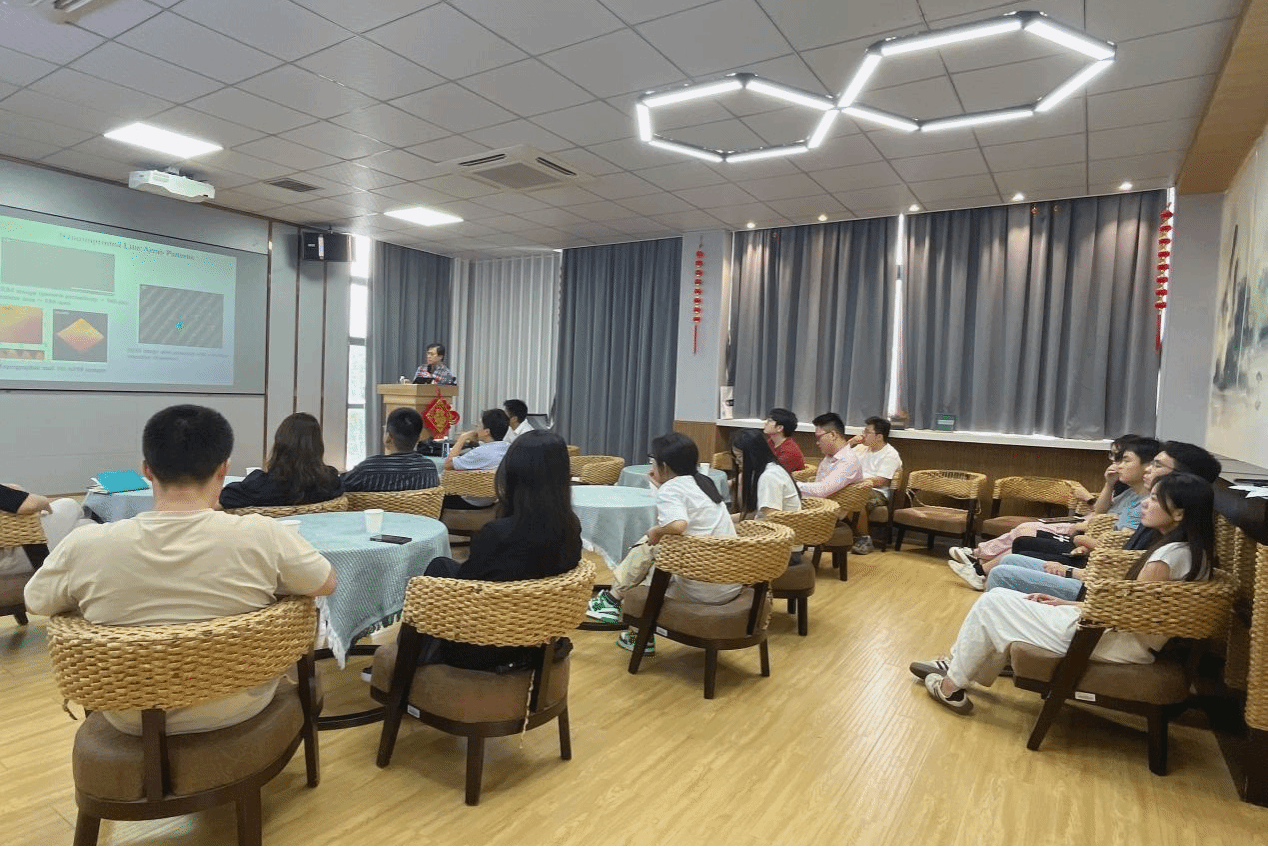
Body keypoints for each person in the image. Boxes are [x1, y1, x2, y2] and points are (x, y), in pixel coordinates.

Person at [24, 404, 336, 735]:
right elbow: (325, 583)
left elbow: (36, 601)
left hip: (129, 716)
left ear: (147, 470)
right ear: (223, 468)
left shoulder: (85, 545)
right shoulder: (264, 535)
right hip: (242, 704)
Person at [911, 471, 1216, 715]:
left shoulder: (1165, 559)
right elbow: (1128, 611)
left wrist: (1074, 608)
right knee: (1003, 599)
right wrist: (1067, 603)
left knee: (993, 602)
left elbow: (1128, 616)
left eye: (1156, 499)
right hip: (1113, 634)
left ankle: (951, 684)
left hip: (1107, 641)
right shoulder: (1190, 551)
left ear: (1179, 513)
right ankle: (958, 668)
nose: (1146, 503)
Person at [408, 430, 582, 671]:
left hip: (484, 644)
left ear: (513, 474)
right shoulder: (570, 526)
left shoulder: (500, 535)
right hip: (536, 640)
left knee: (433, 578)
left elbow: (466, 592)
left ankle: (406, 664)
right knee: (442, 565)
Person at [986, 441, 1222, 601]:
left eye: (1157, 465)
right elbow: (1122, 567)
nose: (1148, 470)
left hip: (1099, 593)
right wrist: (1072, 570)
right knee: (1012, 558)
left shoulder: (1169, 542)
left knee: (1003, 573)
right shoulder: (1162, 520)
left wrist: (1070, 574)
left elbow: (1125, 597)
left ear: (1182, 479)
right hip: (1098, 578)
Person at [585, 432, 739, 656]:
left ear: (663, 465)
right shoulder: (703, 483)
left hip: (700, 586)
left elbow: (678, 525)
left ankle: (616, 605)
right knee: (658, 551)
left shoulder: (673, 489)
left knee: (652, 545)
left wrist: (655, 530)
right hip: (727, 580)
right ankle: (625, 617)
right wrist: (661, 487)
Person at [946, 435, 1160, 590]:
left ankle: (978, 563)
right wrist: (1109, 485)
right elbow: (1103, 516)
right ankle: (978, 563)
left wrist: (1082, 538)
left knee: (1024, 536)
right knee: (1023, 536)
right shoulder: (1130, 492)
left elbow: (1116, 543)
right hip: (1086, 541)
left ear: (1148, 466)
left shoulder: (1144, 505)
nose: (1117, 464)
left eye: (1124, 459)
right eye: (1114, 457)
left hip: (1088, 549)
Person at [219, 412, 343, 509]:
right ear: (318, 447)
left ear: (280, 446)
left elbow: (224, 498)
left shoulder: (260, 486)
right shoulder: (330, 482)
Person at [0, 483, 94, 576]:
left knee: (84, 525)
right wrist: (42, 501)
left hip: (11, 547)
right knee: (69, 505)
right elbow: (31, 504)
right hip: (17, 553)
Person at [341, 407, 439, 492]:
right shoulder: (429, 468)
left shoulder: (368, 468)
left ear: (388, 438)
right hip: (418, 509)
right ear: (418, 439)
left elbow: (339, 487)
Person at [845, 416, 901, 555]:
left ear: (879, 436)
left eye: (867, 432)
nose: (863, 435)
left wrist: (855, 481)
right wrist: (850, 443)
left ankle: (865, 539)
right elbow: (839, 459)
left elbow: (880, 481)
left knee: (856, 496)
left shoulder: (890, 454)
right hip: (855, 486)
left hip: (877, 491)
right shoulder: (861, 448)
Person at [441, 408, 510, 510]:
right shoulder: (507, 447)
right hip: (493, 500)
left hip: (471, 501)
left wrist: (462, 439)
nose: (476, 429)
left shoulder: (481, 452)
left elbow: (447, 464)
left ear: (486, 431)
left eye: (478, 426)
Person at [795, 412, 862, 498]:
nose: (817, 443)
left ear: (833, 435)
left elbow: (821, 490)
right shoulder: (831, 456)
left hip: (829, 505)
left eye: (819, 438)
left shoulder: (848, 460)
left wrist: (792, 484)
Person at [763, 407, 806, 472]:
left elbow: (774, 472)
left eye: (770, 421)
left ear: (779, 428)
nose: (766, 423)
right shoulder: (771, 441)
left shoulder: (789, 452)